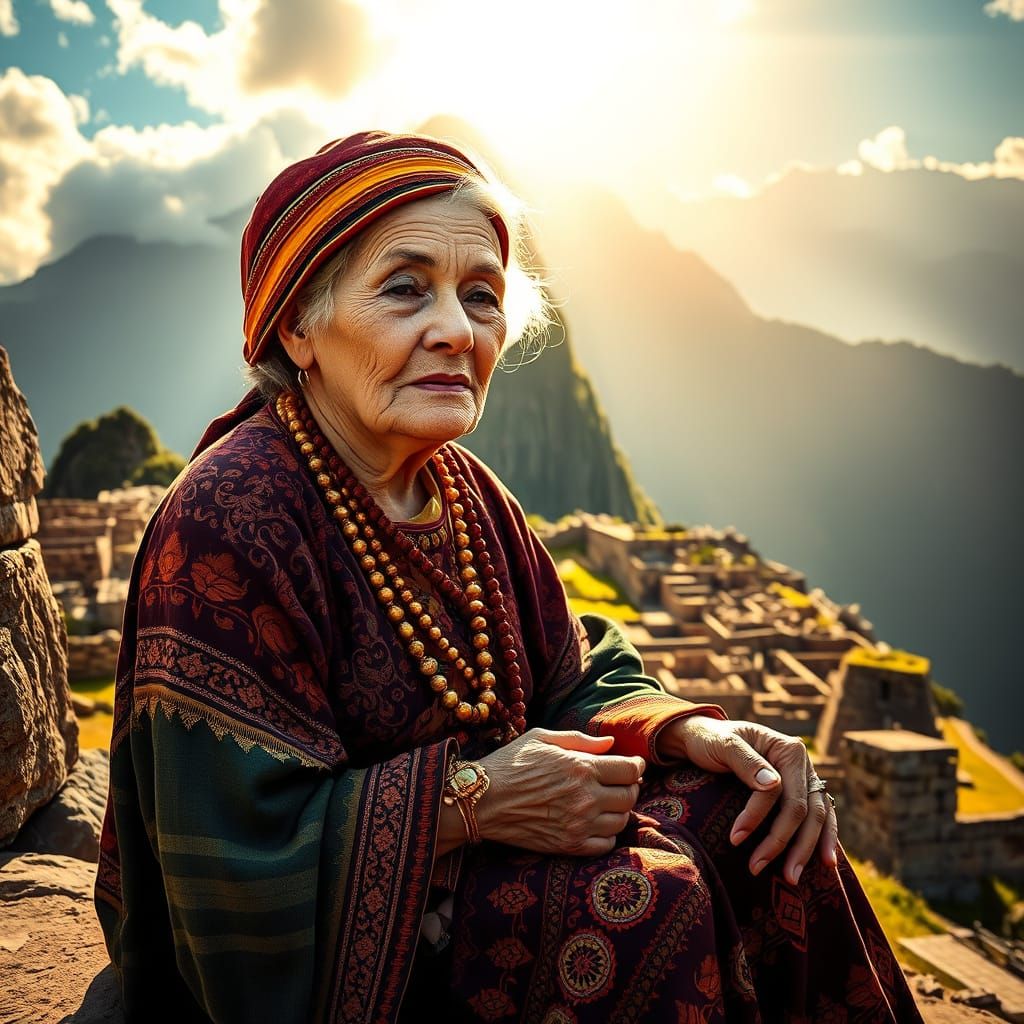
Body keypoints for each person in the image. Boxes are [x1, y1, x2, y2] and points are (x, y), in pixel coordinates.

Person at [95, 130, 923, 1023]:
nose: (456, 328)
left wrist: (692, 735)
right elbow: (230, 859)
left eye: (482, 295)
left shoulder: (467, 492)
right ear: (298, 324)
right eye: (406, 288)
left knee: (767, 826)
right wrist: (473, 802)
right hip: (349, 958)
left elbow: (570, 672)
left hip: (491, 865)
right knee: (644, 905)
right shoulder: (230, 520)